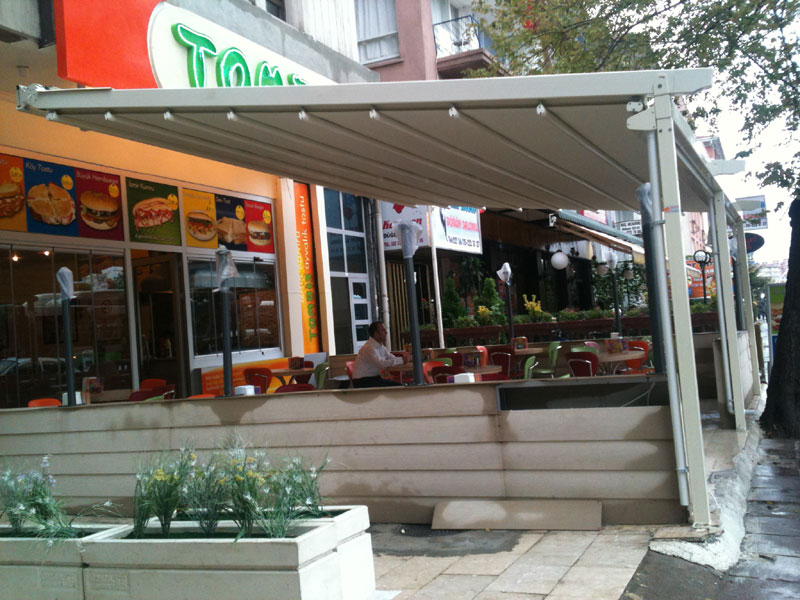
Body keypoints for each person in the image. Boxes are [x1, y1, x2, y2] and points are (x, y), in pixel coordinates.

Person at [351, 321, 409, 388]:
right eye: (383, 330)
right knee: (398, 387)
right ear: (376, 334)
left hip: (373, 378)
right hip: (362, 381)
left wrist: (404, 359)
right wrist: (401, 360)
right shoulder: (369, 347)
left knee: (399, 386)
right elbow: (380, 364)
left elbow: (391, 357)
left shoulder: (380, 346)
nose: (386, 332)